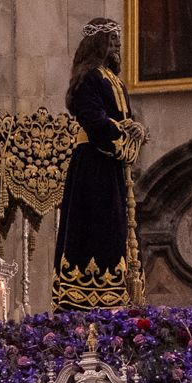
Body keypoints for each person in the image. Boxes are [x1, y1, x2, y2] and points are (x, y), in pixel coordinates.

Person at [52, 18, 146, 311]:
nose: (117, 45)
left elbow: (121, 119)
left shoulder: (114, 79)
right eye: (112, 39)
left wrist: (138, 131)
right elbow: (93, 120)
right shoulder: (89, 78)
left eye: (118, 39)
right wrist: (126, 137)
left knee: (115, 226)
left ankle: (117, 291)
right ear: (98, 44)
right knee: (95, 226)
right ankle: (89, 295)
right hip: (93, 165)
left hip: (111, 168)